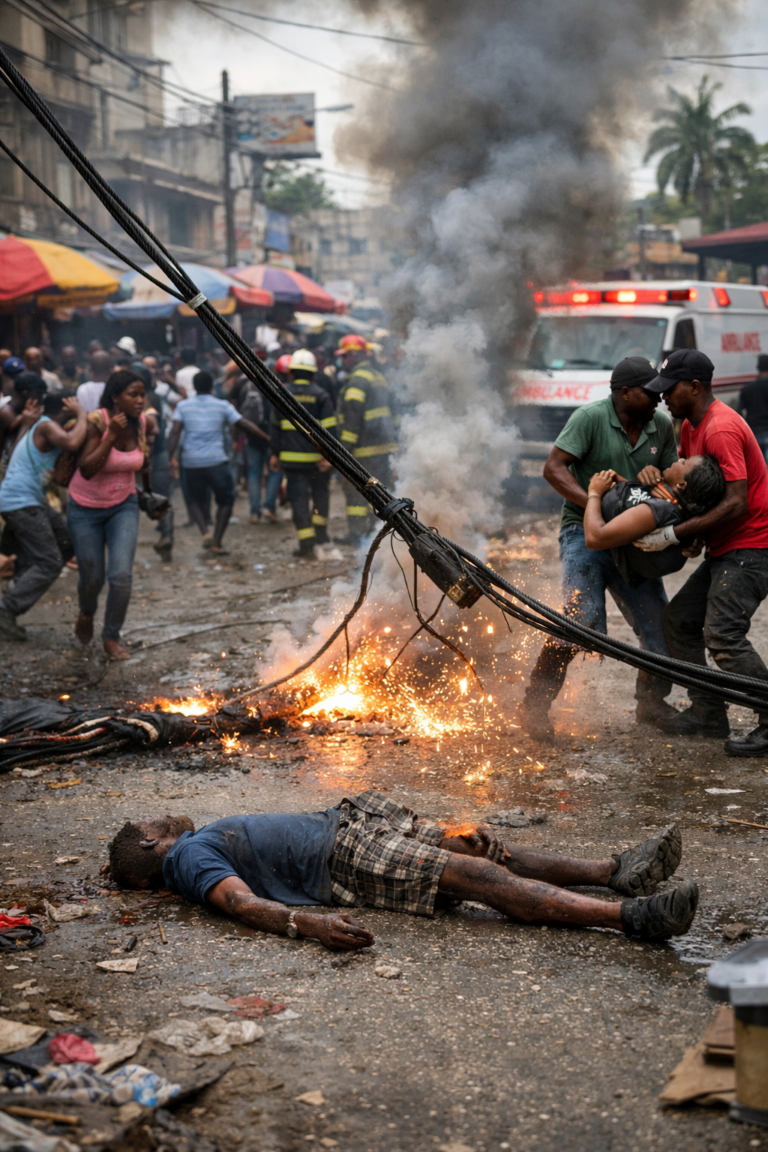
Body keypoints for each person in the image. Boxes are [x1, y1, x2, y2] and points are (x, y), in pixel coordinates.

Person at [104, 793, 696, 945]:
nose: (161, 816)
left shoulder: (194, 844)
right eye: (152, 821)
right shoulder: (186, 857)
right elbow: (237, 903)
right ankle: (630, 916)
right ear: (153, 842)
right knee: (483, 879)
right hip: (340, 857)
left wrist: (441, 828)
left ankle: (613, 870)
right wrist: (305, 926)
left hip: (349, 826)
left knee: (481, 849)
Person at [516, 357, 680, 742]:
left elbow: (674, 481)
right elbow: (553, 468)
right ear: (624, 393)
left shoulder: (662, 425)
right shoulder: (589, 417)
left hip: (633, 538)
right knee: (580, 620)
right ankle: (534, 706)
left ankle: (651, 705)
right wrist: (596, 502)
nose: (658, 396)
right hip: (583, 532)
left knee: (661, 629)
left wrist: (659, 479)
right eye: (649, 391)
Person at [638, 349, 768, 755]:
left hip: (752, 545)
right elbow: (699, 494)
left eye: (670, 390)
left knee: (723, 633)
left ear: (694, 387)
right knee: (679, 621)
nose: (663, 398)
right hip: (726, 546)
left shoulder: (721, 428)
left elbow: (735, 502)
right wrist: (692, 533)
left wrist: (675, 535)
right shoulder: (691, 428)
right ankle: (709, 711)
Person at [67, 369, 153, 661]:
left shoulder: (141, 422)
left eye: (142, 394)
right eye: (133, 395)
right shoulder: (97, 421)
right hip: (84, 507)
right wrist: (111, 436)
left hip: (123, 506)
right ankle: (87, 612)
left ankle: (111, 636)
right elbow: (88, 469)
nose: (140, 401)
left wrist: (150, 491)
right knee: (92, 578)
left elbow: (143, 463)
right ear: (116, 397)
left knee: (120, 576)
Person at [0, 391, 86, 640]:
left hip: (28, 500)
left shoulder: (38, 426)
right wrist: (81, 414)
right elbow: (71, 443)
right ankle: (6, 609)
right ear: (66, 407)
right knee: (49, 563)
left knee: (68, 539)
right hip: (21, 501)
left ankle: (21, 580)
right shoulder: (47, 425)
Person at [167, 370, 268, 555]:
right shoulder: (222, 405)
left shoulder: (183, 406)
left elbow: (175, 432)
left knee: (194, 500)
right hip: (216, 462)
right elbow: (244, 424)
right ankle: (216, 542)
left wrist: (169, 457)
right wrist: (267, 439)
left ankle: (204, 531)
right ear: (212, 386)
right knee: (226, 501)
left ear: (195, 388)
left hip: (191, 463)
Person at [583, 456, 726, 587]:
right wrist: (621, 483)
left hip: (603, 551)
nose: (680, 459)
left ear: (682, 485)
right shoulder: (671, 506)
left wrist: (595, 493)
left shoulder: (661, 510)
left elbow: (595, 538)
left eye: (684, 462)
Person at [270, 349, 338, 559]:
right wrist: (330, 456)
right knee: (320, 497)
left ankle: (306, 545)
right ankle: (320, 535)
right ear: (312, 373)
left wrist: (274, 454)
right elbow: (329, 429)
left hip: (292, 462)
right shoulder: (320, 394)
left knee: (298, 501)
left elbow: (274, 428)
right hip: (318, 462)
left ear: (292, 372)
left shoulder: (281, 393)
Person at [337, 334, 398, 544]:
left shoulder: (357, 380)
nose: (342, 361)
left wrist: (344, 449)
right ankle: (375, 534)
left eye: (344, 356)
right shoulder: (378, 376)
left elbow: (352, 417)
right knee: (379, 492)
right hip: (384, 448)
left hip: (363, 450)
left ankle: (356, 535)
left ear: (354, 354)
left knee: (355, 493)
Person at [0, 371, 46, 476]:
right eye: (38, 394)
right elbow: (13, 456)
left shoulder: (26, 410)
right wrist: (25, 423)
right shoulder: (5, 411)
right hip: (7, 468)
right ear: (25, 392)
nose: (40, 398)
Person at [739, 354, 768, 464]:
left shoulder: (747, 389)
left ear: (758, 368)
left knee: (759, 466)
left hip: (754, 431)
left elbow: (739, 412)